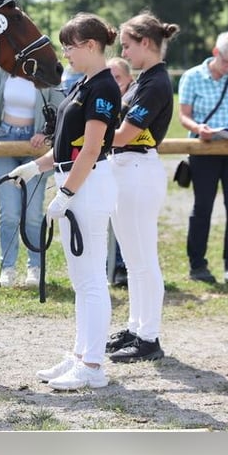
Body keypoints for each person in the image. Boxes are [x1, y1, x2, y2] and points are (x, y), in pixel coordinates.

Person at [9, 13, 121, 391]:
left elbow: (91, 150)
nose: (66, 54)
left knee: (91, 280)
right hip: (75, 181)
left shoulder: (103, 88)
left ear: (91, 46)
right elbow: (64, 146)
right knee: (81, 279)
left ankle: (93, 365)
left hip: (87, 185)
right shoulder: (81, 84)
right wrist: (35, 167)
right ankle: (80, 355)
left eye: (70, 46)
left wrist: (67, 193)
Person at [105, 11, 180, 364]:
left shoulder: (156, 83)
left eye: (127, 46)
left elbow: (125, 134)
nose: (125, 52)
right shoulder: (142, 80)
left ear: (145, 43)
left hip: (137, 167)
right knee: (134, 261)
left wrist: (90, 138)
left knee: (144, 259)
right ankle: (136, 328)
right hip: (126, 169)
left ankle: (149, 337)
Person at [0, 66, 65, 287]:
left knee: (33, 213)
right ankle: (7, 268)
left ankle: (34, 267)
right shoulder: (2, 70)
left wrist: (45, 132)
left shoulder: (47, 70)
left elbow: (59, 109)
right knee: (8, 213)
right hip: (5, 140)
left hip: (35, 147)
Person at [177, 31, 228, 284]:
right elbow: (184, 116)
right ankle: (197, 264)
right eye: (226, 62)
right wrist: (198, 129)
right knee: (202, 207)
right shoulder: (192, 77)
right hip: (203, 149)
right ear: (216, 53)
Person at [106, 56, 136, 288]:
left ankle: (122, 266)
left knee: (125, 217)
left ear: (129, 79)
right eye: (110, 77)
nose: (114, 82)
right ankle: (110, 264)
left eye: (118, 77)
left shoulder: (131, 102)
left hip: (127, 163)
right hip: (104, 163)